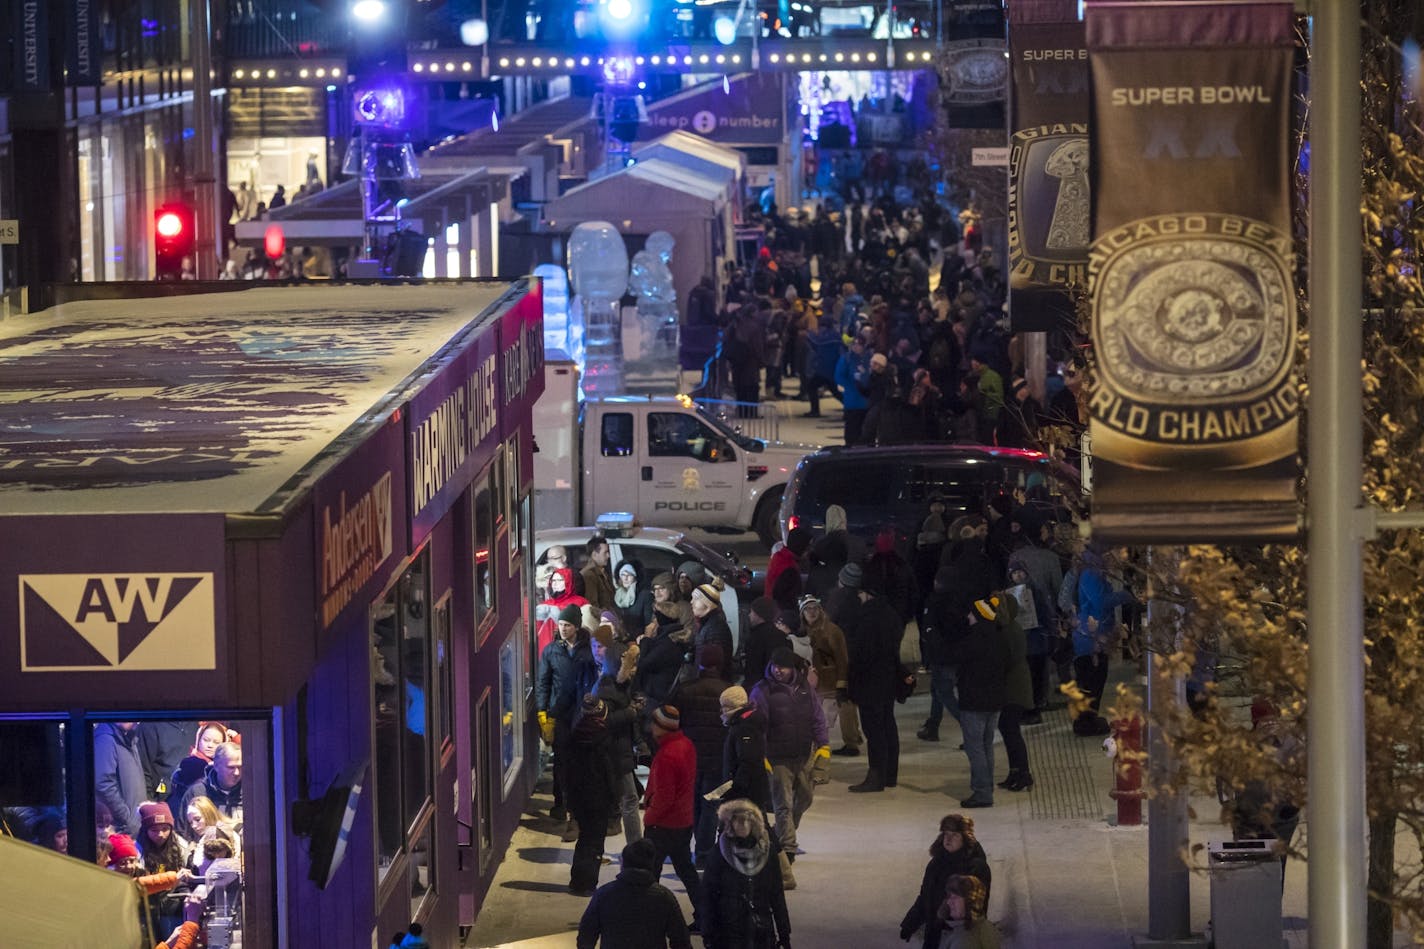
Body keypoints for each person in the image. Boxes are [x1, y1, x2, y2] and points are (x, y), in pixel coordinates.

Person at [749, 648, 828, 889]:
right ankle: (787, 847)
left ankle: (782, 834)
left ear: (792, 668)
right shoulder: (761, 690)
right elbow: (757, 725)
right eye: (774, 666)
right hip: (777, 757)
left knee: (804, 798)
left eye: (782, 666)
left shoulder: (804, 688)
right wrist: (761, 755)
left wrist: (823, 745)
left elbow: (817, 718)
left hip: (802, 755)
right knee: (783, 804)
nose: (777, 670)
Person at [700, 799, 792, 949]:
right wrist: (708, 933)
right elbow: (708, 895)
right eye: (737, 820)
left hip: (761, 929)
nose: (742, 824)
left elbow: (777, 895)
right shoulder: (719, 853)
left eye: (747, 820)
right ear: (729, 824)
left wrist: (784, 933)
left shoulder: (768, 852)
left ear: (754, 823)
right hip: (728, 931)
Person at [943, 599, 1009, 808]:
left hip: (974, 702)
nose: (968, 617)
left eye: (971, 613)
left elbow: (955, 658)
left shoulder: (972, 639)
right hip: (995, 700)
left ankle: (982, 792)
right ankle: (986, 787)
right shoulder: (999, 637)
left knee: (975, 748)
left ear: (979, 616)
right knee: (986, 745)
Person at [537, 605, 598, 830]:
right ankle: (560, 803)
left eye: (567, 625)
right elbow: (543, 682)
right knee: (561, 761)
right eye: (561, 625)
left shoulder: (589, 650)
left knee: (580, 761)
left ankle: (578, 805)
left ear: (577, 626)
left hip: (582, 714)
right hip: (560, 714)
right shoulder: (551, 651)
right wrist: (543, 712)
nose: (563, 629)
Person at [672, 644, 733, 868]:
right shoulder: (728, 690)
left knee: (689, 803)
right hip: (717, 759)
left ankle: (682, 849)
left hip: (689, 756)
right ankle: (704, 853)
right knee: (710, 804)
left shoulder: (686, 689)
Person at [843, 574, 904, 792]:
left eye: (860, 593)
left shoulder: (866, 617)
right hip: (888, 679)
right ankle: (890, 774)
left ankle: (876, 775)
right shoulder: (891, 615)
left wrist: (852, 676)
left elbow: (860, 653)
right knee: (888, 725)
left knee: (874, 729)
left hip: (869, 682)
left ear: (868, 594)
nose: (858, 597)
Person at [642, 705, 703, 922]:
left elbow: (665, 797)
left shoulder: (667, 754)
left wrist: (649, 817)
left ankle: (650, 919)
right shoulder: (686, 745)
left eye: (653, 722)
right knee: (686, 870)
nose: (650, 726)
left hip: (664, 825)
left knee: (649, 875)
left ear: (661, 727)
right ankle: (705, 916)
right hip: (683, 821)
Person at [577, 838, 694, 948]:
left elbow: (586, 936)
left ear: (623, 863)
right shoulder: (664, 897)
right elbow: (681, 940)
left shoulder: (604, 894)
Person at [900, 815, 992, 949]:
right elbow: (925, 896)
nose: (948, 839)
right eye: (946, 834)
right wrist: (911, 923)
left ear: (965, 838)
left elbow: (976, 905)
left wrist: (964, 931)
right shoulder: (936, 863)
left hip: (959, 934)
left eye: (954, 835)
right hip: (934, 932)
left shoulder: (975, 867)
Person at [1072, 547, 1137, 736]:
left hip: (1092, 637)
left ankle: (1088, 721)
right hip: (1091, 639)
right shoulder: (1092, 573)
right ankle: (1086, 723)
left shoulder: (1093, 570)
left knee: (1093, 681)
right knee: (1092, 680)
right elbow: (1099, 603)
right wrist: (1124, 596)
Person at [568, 694, 619, 896]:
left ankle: (577, 881)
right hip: (599, 798)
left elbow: (567, 772)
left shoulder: (574, 736)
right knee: (596, 842)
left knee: (584, 838)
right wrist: (614, 798)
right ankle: (588, 883)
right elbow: (609, 773)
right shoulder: (604, 738)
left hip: (579, 797)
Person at [992, 595, 1035, 793]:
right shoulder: (1010, 628)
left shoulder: (1009, 630)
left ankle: (1023, 773)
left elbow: (1006, 658)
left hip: (1014, 689)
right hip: (1013, 687)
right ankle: (1016, 772)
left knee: (1010, 729)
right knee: (1009, 729)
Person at [719, 686, 772, 813]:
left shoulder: (745, 726)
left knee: (746, 826)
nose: (721, 711)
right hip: (748, 788)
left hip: (746, 791)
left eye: (724, 706)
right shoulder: (741, 723)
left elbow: (748, 759)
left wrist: (736, 787)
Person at [94, 722, 146, 835]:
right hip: (121, 829)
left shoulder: (128, 739)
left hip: (132, 825)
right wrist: (126, 817)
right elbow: (103, 784)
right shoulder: (105, 740)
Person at [179, 741, 243, 822]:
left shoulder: (251, 793)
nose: (236, 773)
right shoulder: (197, 793)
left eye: (240, 767)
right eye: (231, 767)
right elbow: (183, 831)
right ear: (216, 766)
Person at [936, 874, 1001, 948]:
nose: (949, 902)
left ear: (970, 902)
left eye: (955, 897)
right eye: (949, 897)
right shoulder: (985, 926)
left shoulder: (965, 939)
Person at [536, 566, 590, 654]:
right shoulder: (545, 604)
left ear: (568, 582)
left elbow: (585, 627)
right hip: (545, 651)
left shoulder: (580, 602)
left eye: (559, 580)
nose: (555, 584)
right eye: (553, 580)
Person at [742, 597, 789, 691]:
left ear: (759, 614)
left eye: (752, 611)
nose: (749, 615)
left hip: (758, 690)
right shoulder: (782, 637)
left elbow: (753, 669)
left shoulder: (756, 638)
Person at [690, 583, 735, 675]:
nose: (691, 602)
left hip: (710, 685)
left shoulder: (715, 627)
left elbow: (714, 666)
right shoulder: (706, 623)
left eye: (696, 599)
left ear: (707, 603)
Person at [615, 559, 654, 634]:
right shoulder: (616, 595)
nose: (625, 578)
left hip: (638, 639)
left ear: (636, 577)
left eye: (629, 574)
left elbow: (649, 624)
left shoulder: (645, 595)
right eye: (623, 574)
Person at [582, 535, 618, 616]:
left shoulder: (602, 572)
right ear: (594, 555)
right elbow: (592, 607)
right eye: (605, 553)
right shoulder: (589, 575)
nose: (608, 556)